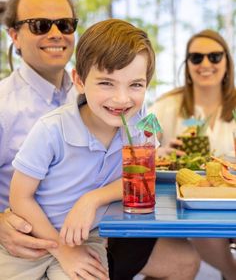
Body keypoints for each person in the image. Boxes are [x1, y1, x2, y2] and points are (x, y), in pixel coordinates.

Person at [0, 18, 156, 279]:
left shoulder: (141, 127)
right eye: (106, 83)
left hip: (85, 239)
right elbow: (20, 197)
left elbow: (143, 176)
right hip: (31, 236)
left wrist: (93, 199)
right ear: (79, 81)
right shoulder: (52, 129)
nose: (122, 98)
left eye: (135, 84)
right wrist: (62, 250)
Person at [0, 0, 78, 260]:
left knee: (182, 262)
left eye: (65, 24)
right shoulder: (3, 105)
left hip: (90, 232)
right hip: (22, 245)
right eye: (40, 25)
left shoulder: (91, 97)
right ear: (15, 36)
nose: (56, 34)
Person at [150, 29, 236, 280]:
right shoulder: (167, 105)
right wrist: (160, 150)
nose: (206, 64)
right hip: (179, 200)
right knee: (202, 219)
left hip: (231, 195)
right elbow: (139, 136)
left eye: (215, 57)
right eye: (196, 58)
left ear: (226, 62)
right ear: (187, 65)